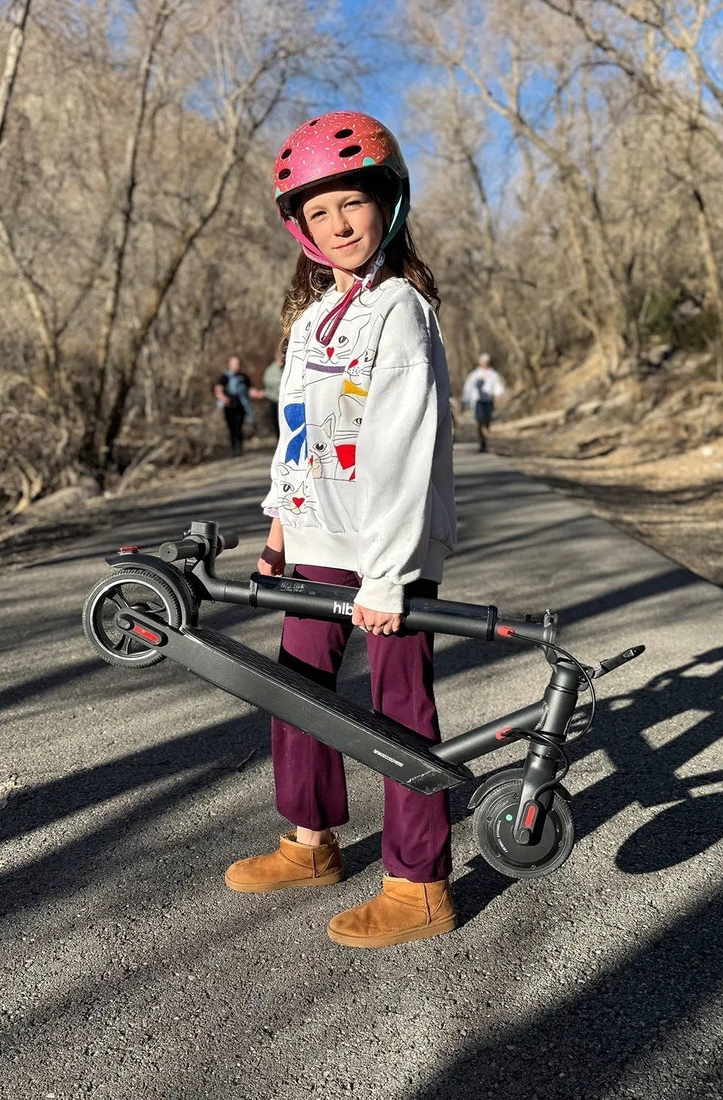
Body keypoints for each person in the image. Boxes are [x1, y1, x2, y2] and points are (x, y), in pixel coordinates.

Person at [223, 110, 458, 948]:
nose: (337, 225)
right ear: (302, 228)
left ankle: (419, 884)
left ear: (387, 204)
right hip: (316, 542)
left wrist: (389, 578)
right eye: (318, 214)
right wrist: (282, 527)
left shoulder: (400, 311)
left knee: (398, 709)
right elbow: (296, 432)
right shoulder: (310, 318)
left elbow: (403, 454)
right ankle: (312, 841)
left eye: (350, 204)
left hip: (384, 550)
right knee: (297, 692)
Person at [213, 355, 262, 456]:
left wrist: (260, 394)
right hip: (229, 405)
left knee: (239, 426)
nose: (236, 366)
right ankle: (233, 448)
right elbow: (218, 390)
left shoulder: (243, 377)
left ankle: (240, 448)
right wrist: (223, 398)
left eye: (237, 364)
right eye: (234, 364)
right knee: (232, 427)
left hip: (241, 405)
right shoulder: (224, 377)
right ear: (229, 365)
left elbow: (250, 390)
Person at [461, 352, 505, 452]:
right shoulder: (475, 374)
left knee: (487, 422)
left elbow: (497, 385)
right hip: (478, 401)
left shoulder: (493, 374)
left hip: (489, 400)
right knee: (480, 421)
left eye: (487, 362)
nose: (485, 364)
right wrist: (465, 399)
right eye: (483, 362)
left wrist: (499, 393)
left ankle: (486, 439)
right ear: (480, 363)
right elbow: (468, 387)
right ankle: (482, 443)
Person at [261, 343, 284, 438]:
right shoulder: (271, 370)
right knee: (276, 421)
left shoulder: (287, 367)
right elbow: (267, 383)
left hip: (285, 399)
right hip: (274, 400)